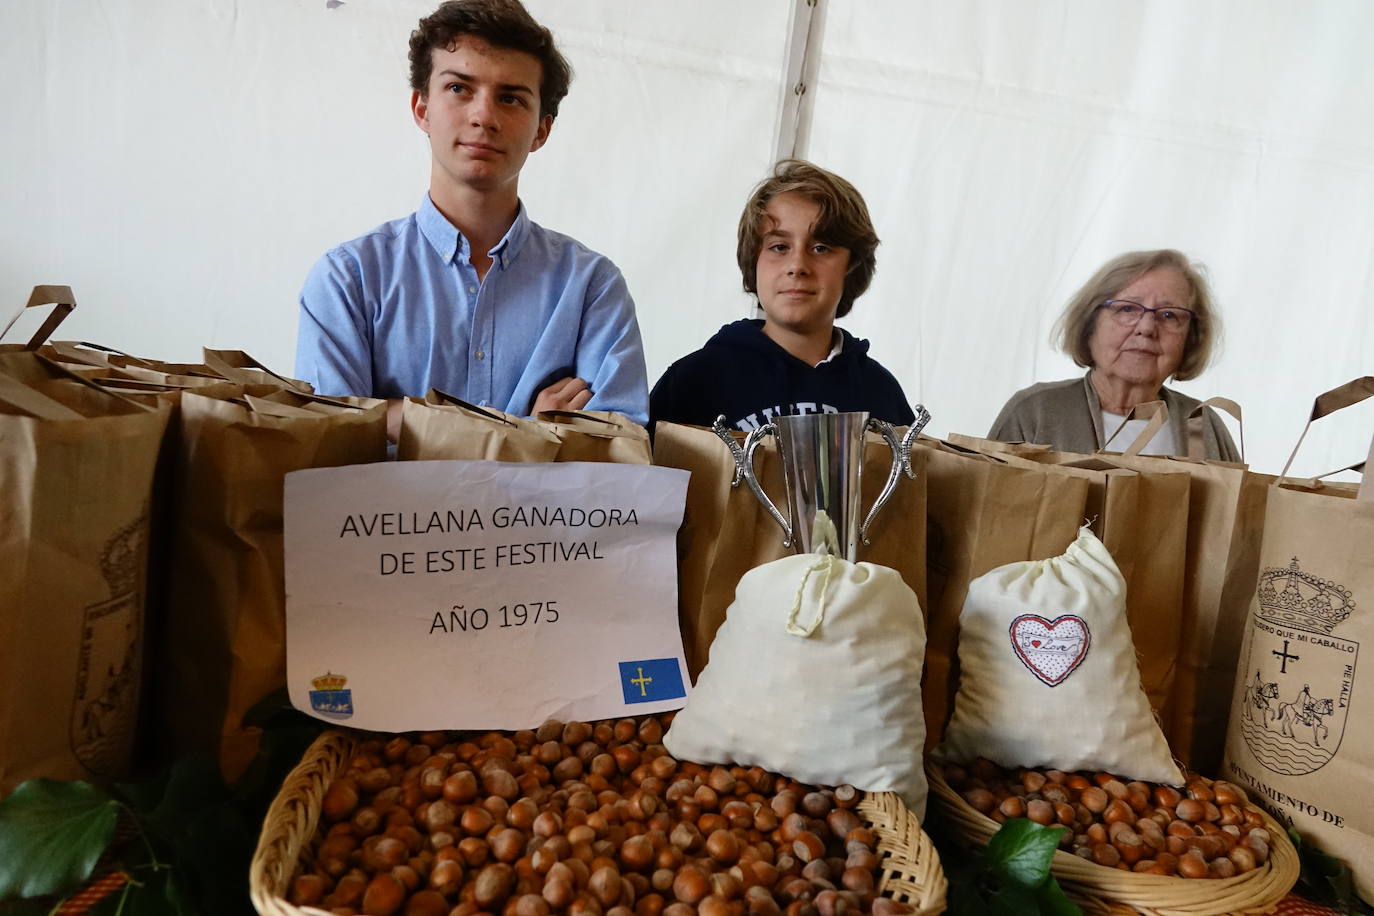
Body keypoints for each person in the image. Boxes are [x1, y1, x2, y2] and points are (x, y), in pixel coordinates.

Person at [294, 0, 649, 436]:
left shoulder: (593, 287)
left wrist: (395, 419)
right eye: (460, 88)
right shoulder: (347, 278)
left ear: (542, 129)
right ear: (422, 108)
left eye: (511, 98)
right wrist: (520, 431)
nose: (484, 116)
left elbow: (614, 454)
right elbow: (329, 439)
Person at [648, 159, 915, 432]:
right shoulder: (693, 382)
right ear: (753, 260)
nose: (797, 266)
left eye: (821, 248)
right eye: (779, 247)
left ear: (852, 265)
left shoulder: (880, 392)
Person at [988, 249, 1239, 460]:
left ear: (1190, 338)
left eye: (1169, 314)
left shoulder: (1203, 425)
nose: (1147, 328)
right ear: (1090, 324)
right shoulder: (1036, 412)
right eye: (1127, 308)